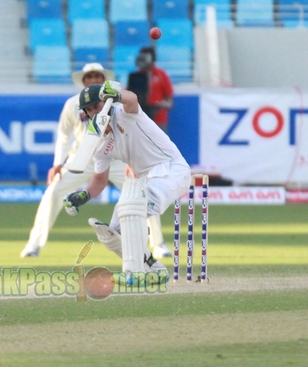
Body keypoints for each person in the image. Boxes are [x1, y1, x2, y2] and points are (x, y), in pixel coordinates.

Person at [20, 63, 170, 259]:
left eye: (97, 77)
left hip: (117, 159)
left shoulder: (115, 104)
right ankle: (34, 244)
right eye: (89, 77)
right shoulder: (73, 104)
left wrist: (133, 163)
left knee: (142, 193)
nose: (93, 80)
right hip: (81, 159)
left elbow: (131, 133)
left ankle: (158, 244)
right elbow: (64, 135)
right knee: (53, 192)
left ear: (103, 81)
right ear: (83, 81)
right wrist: (58, 163)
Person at [62, 81, 191, 279]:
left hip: (171, 170)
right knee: (113, 233)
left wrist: (117, 94)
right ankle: (154, 270)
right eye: (88, 110)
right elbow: (99, 179)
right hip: (145, 180)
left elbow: (132, 99)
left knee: (132, 209)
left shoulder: (126, 114)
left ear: (106, 103)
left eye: (97, 107)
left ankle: (135, 273)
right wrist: (84, 195)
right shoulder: (99, 144)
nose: (93, 113)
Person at [133, 47, 174, 134]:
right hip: (140, 119)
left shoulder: (161, 75)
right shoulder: (136, 76)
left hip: (158, 120)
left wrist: (158, 105)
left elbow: (170, 101)